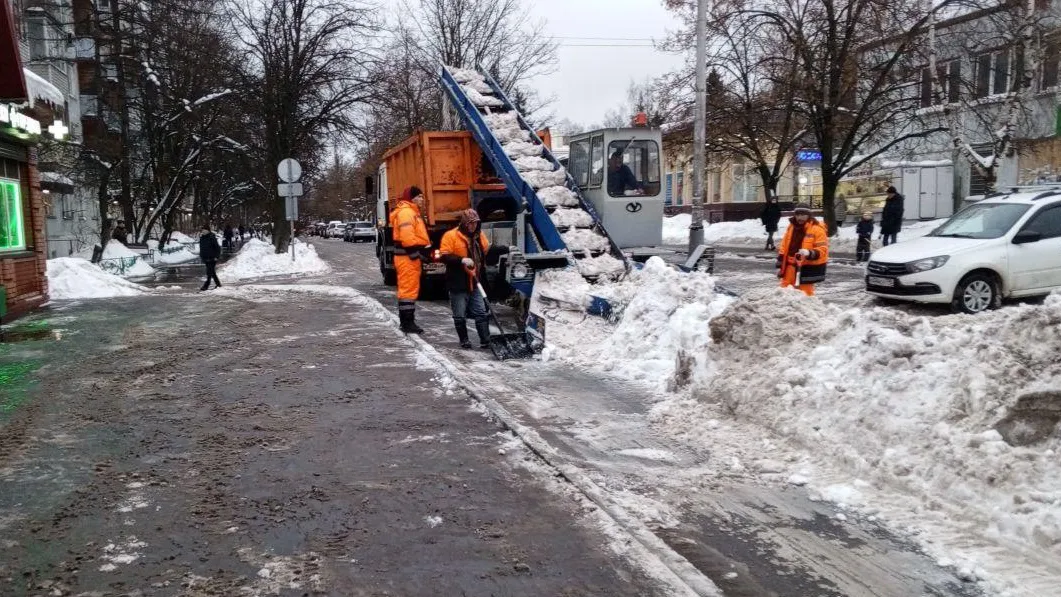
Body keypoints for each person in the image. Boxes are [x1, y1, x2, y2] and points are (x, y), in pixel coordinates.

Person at [440, 209, 492, 349]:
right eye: (470, 223)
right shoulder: (451, 236)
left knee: (481, 312)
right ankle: (464, 340)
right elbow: (444, 256)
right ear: (464, 223)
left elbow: (486, 250)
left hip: (475, 281)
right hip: (458, 282)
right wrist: (461, 260)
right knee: (460, 315)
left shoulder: (479, 236)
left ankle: (486, 340)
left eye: (475, 223)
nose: (473, 226)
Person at [390, 186, 432, 333]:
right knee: (408, 290)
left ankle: (407, 322)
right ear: (412, 198)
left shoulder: (409, 212)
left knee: (408, 290)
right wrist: (416, 254)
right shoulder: (407, 213)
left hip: (407, 256)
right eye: (419, 197)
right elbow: (407, 238)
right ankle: (408, 323)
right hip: (407, 257)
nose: (422, 199)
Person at [776, 204, 829, 296]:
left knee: (805, 293)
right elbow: (784, 244)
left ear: (809, 215)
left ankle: (807, 308)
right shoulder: (791, 227)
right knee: (784, 290)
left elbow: (823, 249)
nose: (800, 217)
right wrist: (781, 258)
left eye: (803, 215)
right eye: (798, 215)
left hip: (805, 266)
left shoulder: (817, 229)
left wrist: (809, 253)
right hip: (789, 264)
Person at [199, 224, 222, 291]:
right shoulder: (202, 238)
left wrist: (216, 257)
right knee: (211, 272)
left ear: (208, 230)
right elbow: (202, 248)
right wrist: (201, 256)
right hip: (205, 257)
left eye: (204, 230)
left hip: (212, 258)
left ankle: (206, 285)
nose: (203, 231)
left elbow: (217, 248)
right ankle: (218, 284)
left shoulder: (212, 237)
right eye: (202, 230)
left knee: (210, 271)